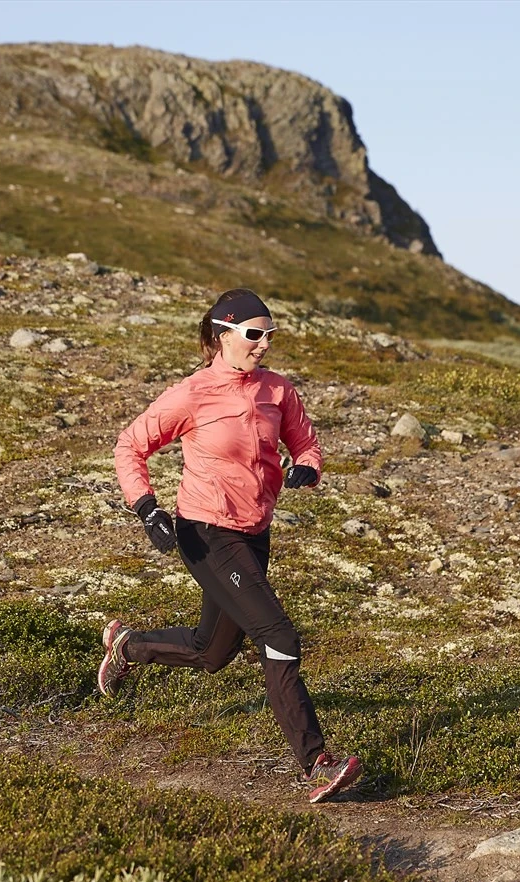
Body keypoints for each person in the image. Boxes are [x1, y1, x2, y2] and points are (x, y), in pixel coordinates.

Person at [98, 288, 363, 803]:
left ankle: (127, 646)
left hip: (253, 532)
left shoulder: (278, 391)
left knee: (211, 652)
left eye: (270, 336)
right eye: (254, 334)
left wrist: (307, 467)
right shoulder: (192, 394)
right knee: (278, 632)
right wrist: (146, 507)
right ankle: (316, 763)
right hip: (205, 532)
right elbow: (130, 445)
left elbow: (306, 443)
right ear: (224, 335)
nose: (264, 345)